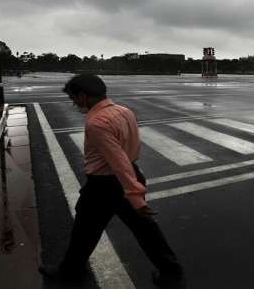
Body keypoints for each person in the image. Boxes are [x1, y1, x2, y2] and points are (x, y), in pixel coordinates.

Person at [39, 74, 185, 288]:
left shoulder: (97, 122)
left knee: (85, 229)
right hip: (128, 175)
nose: (73, 103)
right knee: (143, 229)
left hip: (107, 184)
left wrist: (135, 195)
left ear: (83, 95)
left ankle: (70, 271)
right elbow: (129, 151)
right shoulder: (124, 111)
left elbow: (118, 161)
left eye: (74, 98)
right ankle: (171, 271)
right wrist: (135, 188)